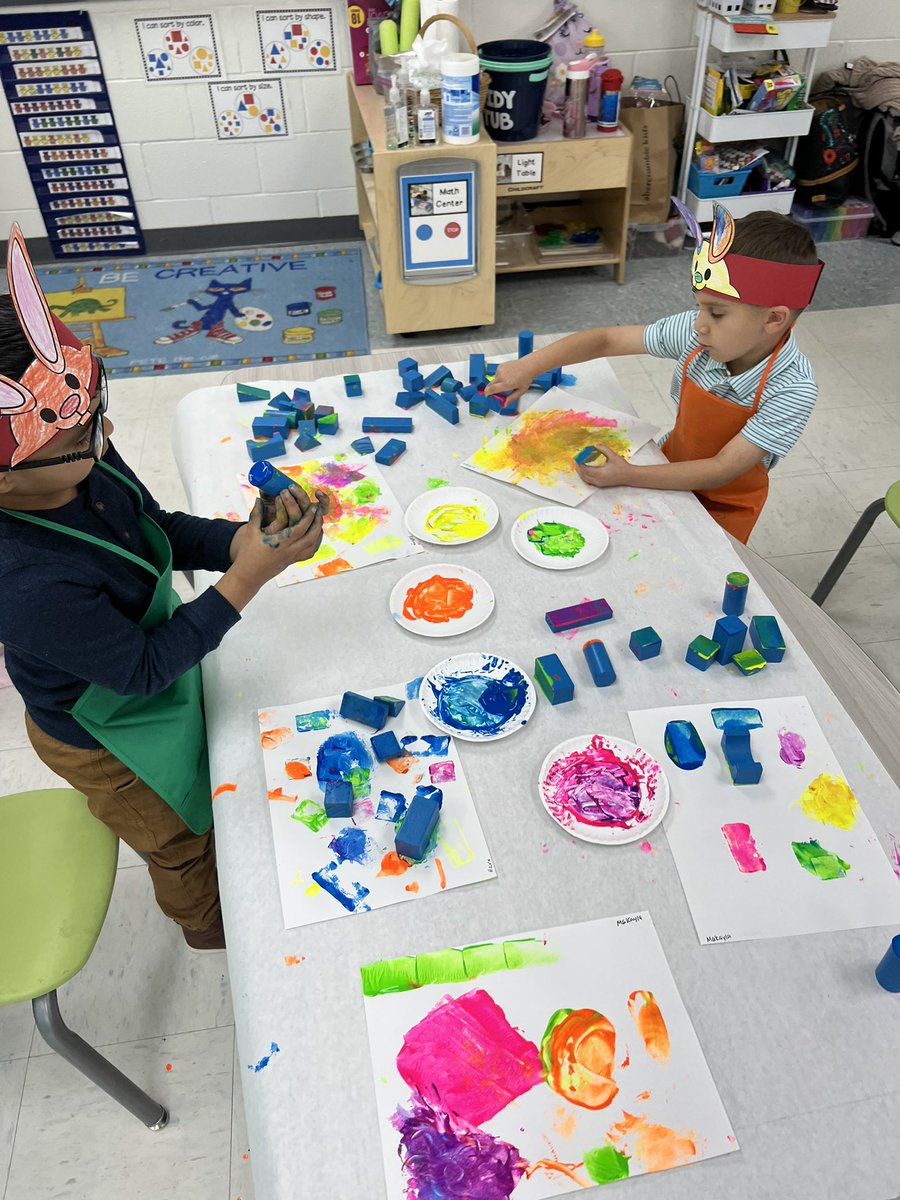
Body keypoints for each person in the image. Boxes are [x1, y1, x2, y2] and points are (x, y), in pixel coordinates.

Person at [0, 225, 327, 951]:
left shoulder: (84, 454)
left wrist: (235, 543)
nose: (106, 431)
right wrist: (245, 581)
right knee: (179, 840)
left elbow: (157, 525)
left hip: (137, 665)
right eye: (80, 436)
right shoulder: (22, 581)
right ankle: (213, 934)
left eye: (96, 412)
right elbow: (143, 671)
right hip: (102, 735)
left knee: (215, 779)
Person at [487, 205, 824, 543]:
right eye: (698, 306)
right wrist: (529, 365)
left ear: (773, 319)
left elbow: (722, 468)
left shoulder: (791, 389)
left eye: (717, 313)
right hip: (666, 466)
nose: (699, 324)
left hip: (724, 504)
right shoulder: (699, 335)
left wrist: (630, 474)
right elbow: (607, 339)